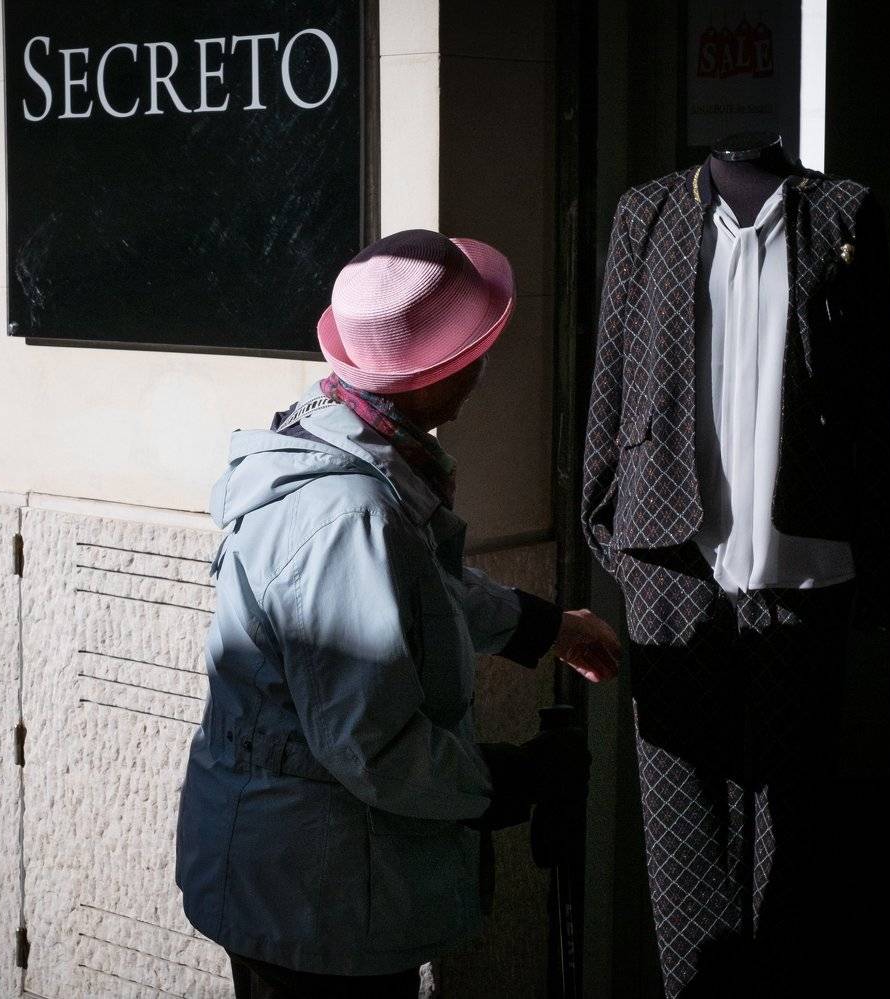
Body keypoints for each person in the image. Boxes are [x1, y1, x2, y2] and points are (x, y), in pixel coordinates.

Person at [174, 229, 622, 997]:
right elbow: (374, 744)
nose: (483, 363)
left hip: (303, 877)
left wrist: (547, 626)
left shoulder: (337, 438)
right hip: (314, 900)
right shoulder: (351, 511)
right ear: (439, 373)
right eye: (474, 349)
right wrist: (512, 780)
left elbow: (416, 593)